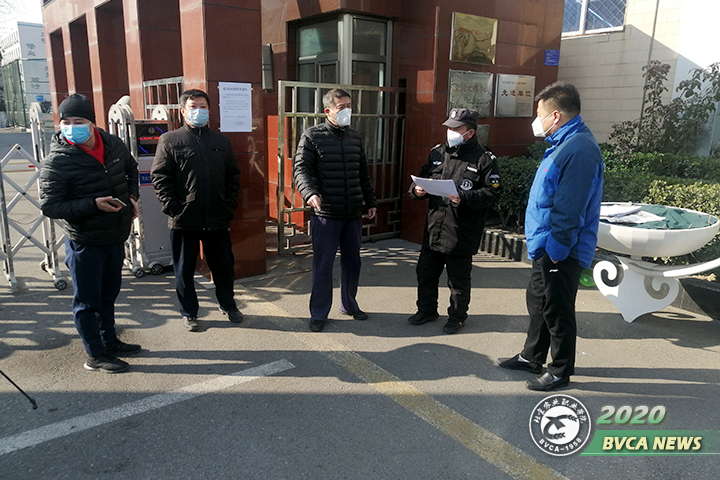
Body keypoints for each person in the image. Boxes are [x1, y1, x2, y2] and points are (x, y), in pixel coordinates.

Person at [497, 82, 604, 391]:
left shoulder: (579, 150)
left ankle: (559, 370)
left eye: (539, 113)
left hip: (561, 249)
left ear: (555, 115)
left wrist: (556, 250)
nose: (537, 120)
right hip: (546, 244)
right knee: (539, 302)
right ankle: (532, 356)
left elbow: (570, 208)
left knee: (557, 309)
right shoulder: (564, 143)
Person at [40, 93, 141, 373]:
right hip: (85, 241)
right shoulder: (58, 160)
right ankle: (95, 354)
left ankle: (110, 341)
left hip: (115, 235)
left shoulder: (113, 144)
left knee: (108, 295)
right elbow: (50, 206)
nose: (72, 127)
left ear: (92, 123)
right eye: (66, 122)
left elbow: (131, 169)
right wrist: (93, 204)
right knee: (87, 301)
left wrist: (132, 196)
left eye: (79, 121)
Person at [151, 89, 242, 332]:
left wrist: (228, 205)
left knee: (223, 267)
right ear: (183, 111)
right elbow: (160, 177)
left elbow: (233, 176)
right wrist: (173, 208)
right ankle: (189, 312)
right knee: (184, 271)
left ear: (209, 110)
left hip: (217, 218)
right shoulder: (170, 140)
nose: (198, 111)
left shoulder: (221, 141)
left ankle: (228, 305)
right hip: (184, 220)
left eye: (203, 106)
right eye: (193, 107)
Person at [408, 108, 502, 334]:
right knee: (425, 273)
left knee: (458, 281)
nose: (450, 132)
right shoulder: (437, 153)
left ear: (470, 132)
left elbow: (493, 193)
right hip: (434, 228)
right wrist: (417, 190)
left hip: (461, 230)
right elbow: (422, 178)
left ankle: (457, 316)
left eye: (456, 129)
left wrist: (463, 197)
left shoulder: (484, 159)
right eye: (449, 128)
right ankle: (426, 310)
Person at [293, 88, 378, 332]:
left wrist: (370, 201)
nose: (347, 111)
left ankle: (349, 304)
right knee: (323, 265)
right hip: (326, 214)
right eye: (342, 107)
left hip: (352, 213)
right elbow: (300, 169)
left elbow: (363, 173)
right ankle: (319, 313)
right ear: (327, 110)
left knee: (353, 262)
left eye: (349, 106)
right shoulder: (312, 136)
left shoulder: (355, 137)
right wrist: (310, 193)